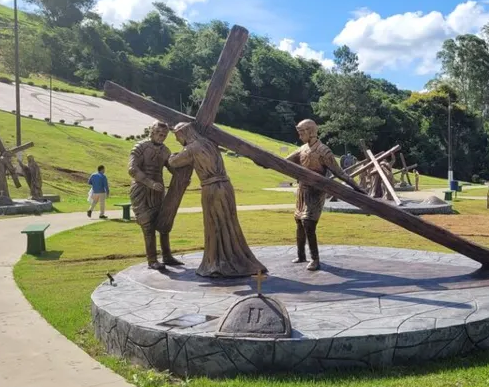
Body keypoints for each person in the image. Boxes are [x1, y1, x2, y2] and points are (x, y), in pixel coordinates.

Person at [169, 122, 266, 278]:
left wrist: (172, 156)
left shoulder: (191, 149)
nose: (177, 140)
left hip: (212, 189)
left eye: (177, 136)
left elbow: (173, 162)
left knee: (214, 224)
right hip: (226, 186)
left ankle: (217, 263)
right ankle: (237, 258)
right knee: (229, 223)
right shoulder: (209, 143)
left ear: (183, 134)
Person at [286, 119, 365, 271]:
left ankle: (315, 259)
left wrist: (357, 188)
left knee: (308, 223)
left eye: (302, 133)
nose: (300, 136)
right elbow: (283, 162)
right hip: (302, 190)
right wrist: (263, 161)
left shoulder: (323, 151)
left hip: (316, 192)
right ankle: (301, 255)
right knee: (298, 221)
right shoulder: (302, 149)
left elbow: (340, 173)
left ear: (310, 132)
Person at [128, 121, 183, 270]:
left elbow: (173, 168)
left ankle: (167, 256)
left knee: (164, 222)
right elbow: (132, 169)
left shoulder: (165, 151)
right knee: (148, 225)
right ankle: (152, 260)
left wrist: (182, 175)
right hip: (141, 190)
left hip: (158, 191)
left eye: (164, 135)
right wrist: (149, 183)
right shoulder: (140, 147)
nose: (162, 137)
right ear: (152, 132)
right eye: (159, 134)